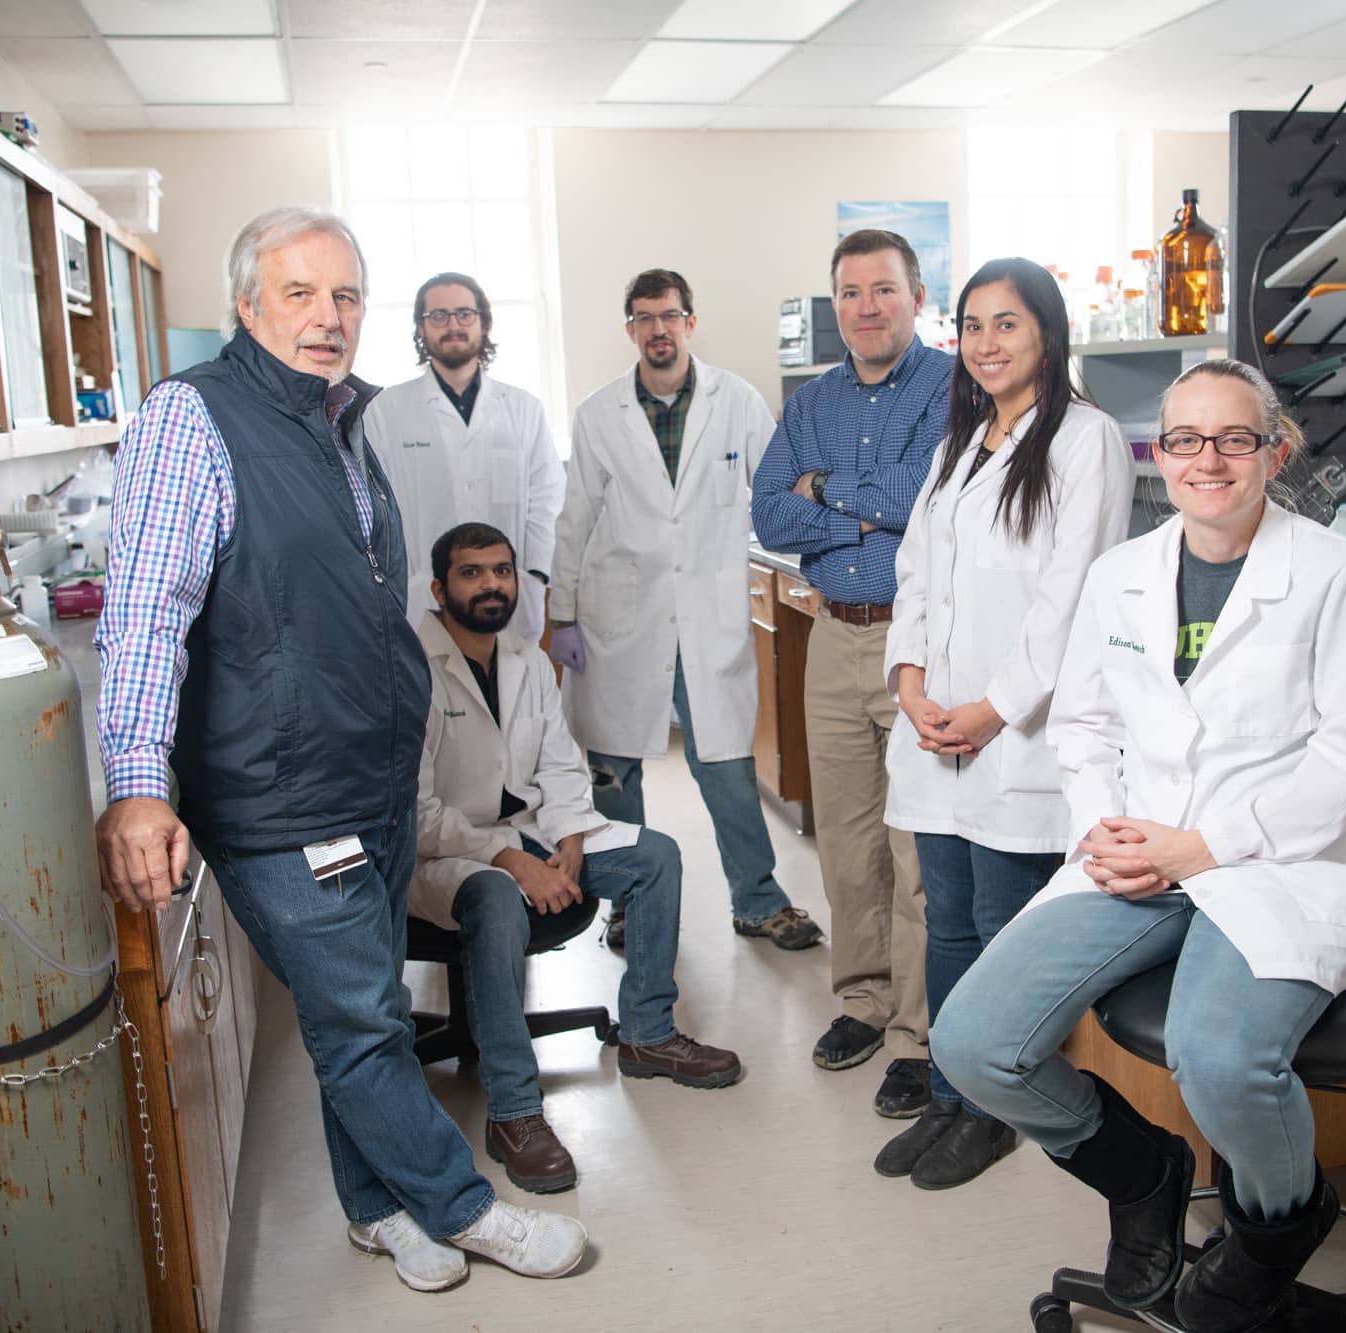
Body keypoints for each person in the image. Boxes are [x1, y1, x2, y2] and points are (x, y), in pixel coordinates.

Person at [93, 209, 586, 1295]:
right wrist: (135, 784)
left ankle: (374, 1209)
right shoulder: (194, 418)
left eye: (346, 295)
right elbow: (142, 607)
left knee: (346, 1005)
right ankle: (460, 1207)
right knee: (365, 1015)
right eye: (300, 293)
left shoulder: (337, 421)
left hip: (368, 781)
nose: (328, 317)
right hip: (277, 797)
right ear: (247, 304)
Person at [929, 359, 1346, 1331]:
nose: (1207, 459)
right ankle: (1140, 1171)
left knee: (1216, 1056)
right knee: (973, 1045)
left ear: (1276, 450)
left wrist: (1200, 845)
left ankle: (1277, 1224)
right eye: (1184, 439)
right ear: (1159, 453)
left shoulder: (1333, 571)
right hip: (1134, 848)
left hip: (1275, 860)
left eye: (1234, 438)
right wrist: (1104, 822)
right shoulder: (1122, 575)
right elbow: (1081, 727)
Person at [876, 258, 1134, 1191]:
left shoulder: (1086, 441)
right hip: (938, 725)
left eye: (1007, 325)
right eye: (973, 326)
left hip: (1016, 731)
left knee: (998, 922)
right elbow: (915, 570)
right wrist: (909, 682)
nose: (986, 344)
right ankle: (949, 1092)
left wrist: (991, 711)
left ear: (1048, 336)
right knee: (946, 919)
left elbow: (1073, 598)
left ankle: (992, 1108)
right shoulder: (960, 442)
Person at [414, 521, 744, 1194]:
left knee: (656, 856)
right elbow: (417, 815)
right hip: (446, 854)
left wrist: (566, 841)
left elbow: (562, 765)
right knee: (498, 896)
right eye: (472, 572)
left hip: (534, 829)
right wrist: (511, 858)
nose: (491, 584)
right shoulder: (410, 669)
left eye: (502, 570)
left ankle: (648, 1032)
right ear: (438, 587)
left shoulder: (528, 660)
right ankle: (513, 1109)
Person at [549, 268, 823, 955]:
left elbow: (776, 491)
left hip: (708, 614)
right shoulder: (597, 413)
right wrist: (561, 613)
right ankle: (624, 901)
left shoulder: (737, 401)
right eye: (643, 318)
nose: (657, 329)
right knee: (615, 770)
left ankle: (757, 898)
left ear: (690, 322)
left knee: (725, 762)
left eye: (669, 315)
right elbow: (574, 517)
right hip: (622, 618)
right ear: (630, 329)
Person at [751, 229, 953, 1119]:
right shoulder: (812, 402)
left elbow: (926, 499)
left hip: (920, 641)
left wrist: (825, 493)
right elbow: (765, 513)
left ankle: (916, 1033)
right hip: (832, 636)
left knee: (915, 847)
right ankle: (864, 1001)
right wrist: (865, 518)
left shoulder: (954, 385)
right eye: (850, 294)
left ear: (916, 296)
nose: (865, 308)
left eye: (882, 290)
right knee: (846, 838)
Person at [366, 271, 564, 645]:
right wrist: (402, 583)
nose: (452, 325)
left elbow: (548, 502)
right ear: (421, 329)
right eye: (438, 316)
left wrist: (533, 575)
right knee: (434, 699)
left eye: (464, 314)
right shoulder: (385, 411)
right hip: (423, 596)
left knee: (511, 698)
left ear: (484, 323)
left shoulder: (523, 409)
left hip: (508, 596)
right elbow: (377, 513)